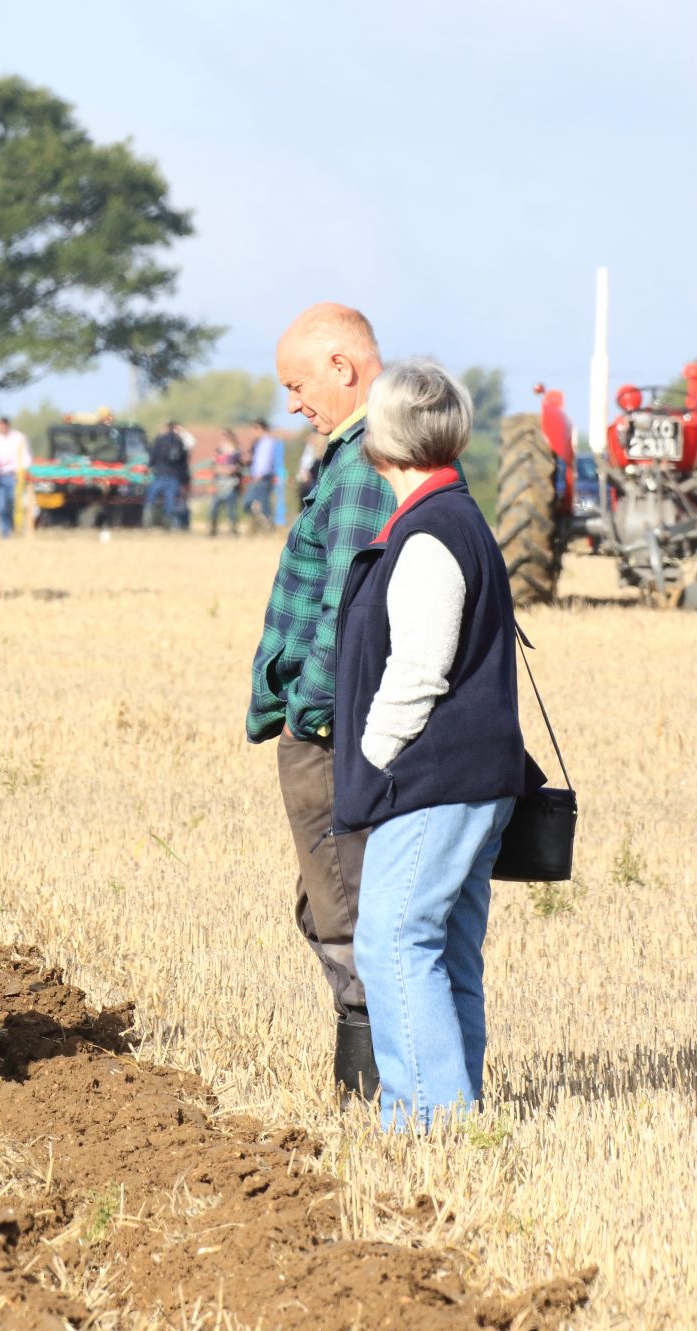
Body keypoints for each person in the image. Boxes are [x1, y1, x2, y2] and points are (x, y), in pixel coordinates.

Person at [333, 360, 531, 1131]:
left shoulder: (427, 535)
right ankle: (454, 1113)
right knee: (445, 950)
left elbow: (418, 672)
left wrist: (372, 760)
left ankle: (432, 1120)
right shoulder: (463, 515)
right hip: (479, 777)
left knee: (392, 941)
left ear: (381, 440)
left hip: (433, 779)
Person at [245, 301, 394, 1102]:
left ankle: (370, 1087)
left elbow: (350, 604)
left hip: (332, 727)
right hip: (325, 721)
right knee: (329, 901)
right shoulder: (354, 452)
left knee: (344, 909)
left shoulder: (369, 457)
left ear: (344, 366)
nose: (293, 402)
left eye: (299, 383)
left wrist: (312, 709)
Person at [145, 420, 191, 531]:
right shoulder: (180, 443)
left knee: (150, 499)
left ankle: (148, 522)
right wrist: (185, 479)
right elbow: (183, 463)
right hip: (173, 477)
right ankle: (167, 523)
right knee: (170, 501)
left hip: (160, 474)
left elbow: (152, 457)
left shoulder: (159, 440)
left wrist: (150, 467)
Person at [0, 417, 30, 537]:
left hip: (14, 475)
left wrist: (23, 471)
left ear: (7, 426)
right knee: (1, 505)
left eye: (1, 426)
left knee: (14, 503)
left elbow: (25, 456)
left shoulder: (18, 438)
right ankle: (5, 532)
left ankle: (15, 528)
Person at [244, 419, 283, 526]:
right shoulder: (258, 443)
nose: (252, 432)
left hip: (263, 477)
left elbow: (267, 461)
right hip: (256, 477)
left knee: (263, 504)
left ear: (261, 428)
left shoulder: (268, 442)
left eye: (254, 429)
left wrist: (260, 474)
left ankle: (269, 526)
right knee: (250, 503)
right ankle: (259, 526)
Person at [208, 429, 244, 536]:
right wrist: (220, 470)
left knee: (231, 509)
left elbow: (237, 468)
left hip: (231, 484)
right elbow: (213, 466)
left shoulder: (236, 453)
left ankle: (233, 530)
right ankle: (213, 529)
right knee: (214, 508)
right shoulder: (218, 451)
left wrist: (226, 470)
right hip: (219, 483)